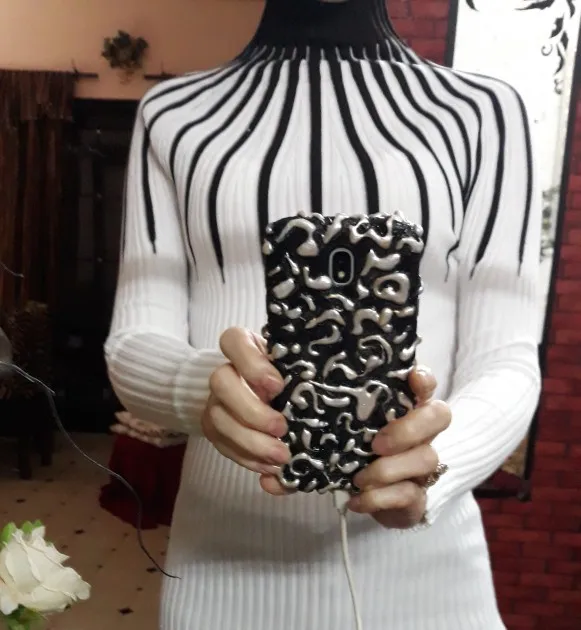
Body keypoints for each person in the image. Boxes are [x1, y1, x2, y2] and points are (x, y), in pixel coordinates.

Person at [105, 0, 541, 628]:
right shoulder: (172, 115)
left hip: (429, 578)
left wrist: (434, 465)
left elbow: (507, 358)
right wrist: (206, 387)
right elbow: (133, 341)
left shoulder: (484, 114)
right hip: (222, 573)